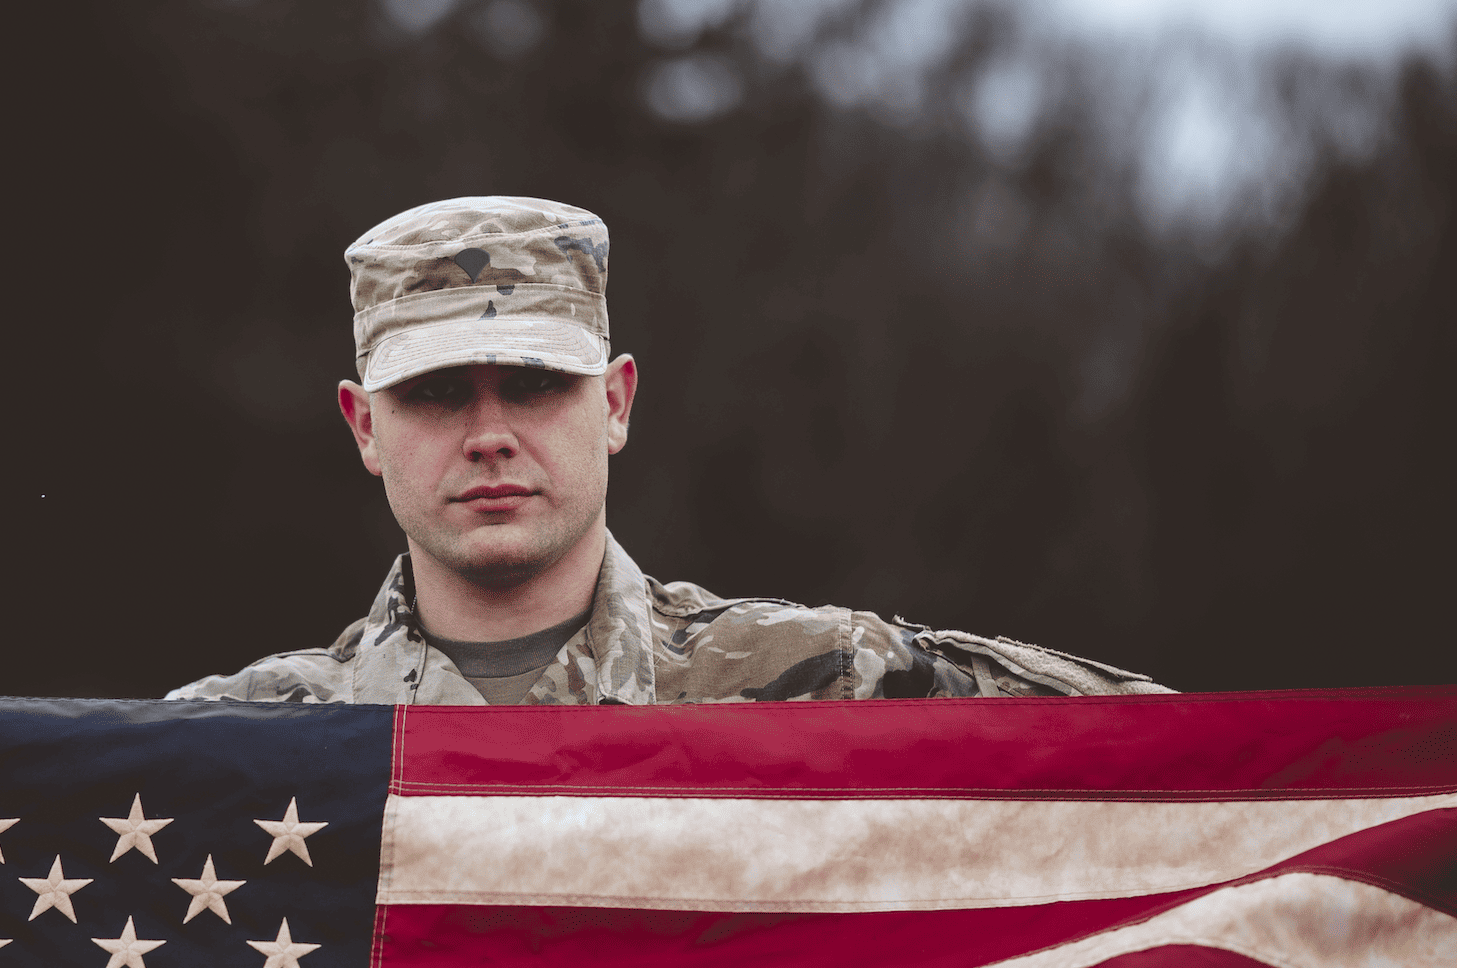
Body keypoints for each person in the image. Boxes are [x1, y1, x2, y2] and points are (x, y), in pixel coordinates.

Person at [167, 196, 1169, 705]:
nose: (488, 436)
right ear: (363, 428)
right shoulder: (235, 746)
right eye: (432, 394)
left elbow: (1207, 775)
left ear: (613, 403)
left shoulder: (821, 685)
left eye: (532, 383)